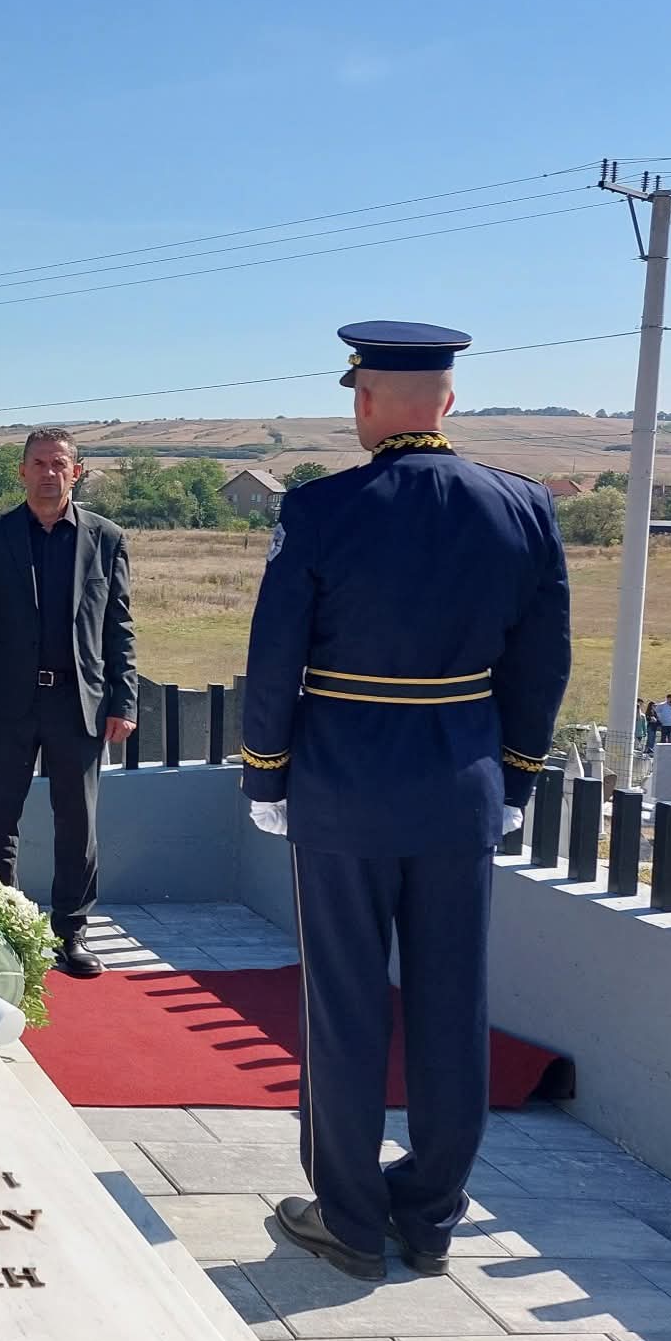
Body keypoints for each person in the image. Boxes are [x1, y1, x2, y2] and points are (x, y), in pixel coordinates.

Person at [241, 321, 569, 1283]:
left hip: (343, 788)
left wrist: (266, 773)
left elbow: (275, 653)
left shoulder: (321, 508)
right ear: (448, 400)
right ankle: (428, 1215)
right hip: (460, 786)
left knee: (346, 1005)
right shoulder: (522, 506)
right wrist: (515, 776)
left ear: (369, 399)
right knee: (452, 1006)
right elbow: (542, 661)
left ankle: (349, 1218)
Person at [0, 427, 137, 979]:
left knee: (77, 823)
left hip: (79, 704)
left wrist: (123, 700)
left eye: (59, 464)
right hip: (7, 703)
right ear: (22, 472)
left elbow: (119, 627)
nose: (49, 473)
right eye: (39, 463)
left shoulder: (106, 538)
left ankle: (71, 931)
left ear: (76, 472)